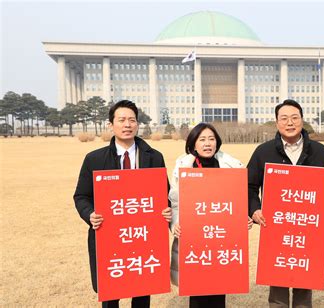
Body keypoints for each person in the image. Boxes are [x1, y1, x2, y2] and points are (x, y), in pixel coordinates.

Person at [73, 100, 172, 308]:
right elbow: (81, 196)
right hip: (109, 237)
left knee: (142, 293)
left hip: (144, 237)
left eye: (132, 120)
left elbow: (165, 194)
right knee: (110, 296)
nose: (127, 125)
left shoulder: (154, 157)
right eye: (122, 120)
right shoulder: (94, 159)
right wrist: (90, 214)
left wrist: (166, 210)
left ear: (137, 124)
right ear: (111, 124)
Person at [247, 99, 324, 308]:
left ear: (302, 120)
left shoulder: (320, 151)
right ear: (276, 123)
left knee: (304, 280)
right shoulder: (263, 152)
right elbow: (249, 186)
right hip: (276, 227)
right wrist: (254, 209)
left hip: (308, 228)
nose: (290, 123)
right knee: (277, 280)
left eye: (294, 118)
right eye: (284, 118)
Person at [169, 122, 253, 308]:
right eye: (202, 139)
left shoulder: (229, 166)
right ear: (193, 144)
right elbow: (174, 203)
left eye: (211, 139)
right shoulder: (183, 168)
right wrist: (175, 223)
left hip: (220, 241)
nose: (207, 143)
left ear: (217, 142)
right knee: (197, 296)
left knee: (218, 292)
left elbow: (237, 204)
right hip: (194, 240)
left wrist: (242, 220)